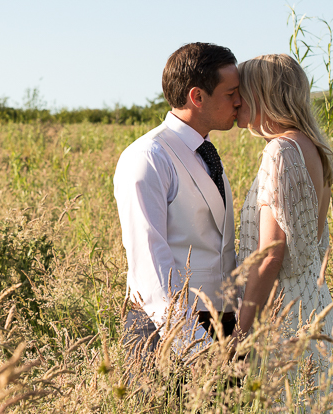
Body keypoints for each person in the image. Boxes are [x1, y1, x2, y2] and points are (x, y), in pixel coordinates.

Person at [114, 42, 242, 360]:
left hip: (221, 324)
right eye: (231, 93)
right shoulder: (148, 157)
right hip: (167, 331)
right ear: (197, 97)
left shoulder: (205, 152)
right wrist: (193, 348)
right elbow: (149, 265)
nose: (240, 102)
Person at [232, 54, 333, 383]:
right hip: (314, 305)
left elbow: (270, 255)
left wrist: (238, 334)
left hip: (281, 318)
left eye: (241, 91)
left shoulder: (281, 151)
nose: (235, 101)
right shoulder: (312, 147)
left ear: (261, 96)